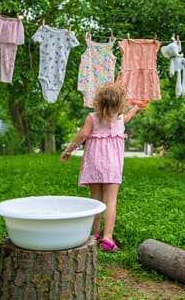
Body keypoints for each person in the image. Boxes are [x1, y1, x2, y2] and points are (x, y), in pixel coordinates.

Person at [60, 83, 143, 252]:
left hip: (94, 163)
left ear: (99, 101)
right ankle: (108, 237)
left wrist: (68, 151)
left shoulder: (92, 117)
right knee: (111, 201)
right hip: (112, 165)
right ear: (120, 103)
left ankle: (95, 233)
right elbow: (127, 117)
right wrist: (135, 109)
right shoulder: (119, 118)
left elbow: (82, 135)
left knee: (95, 200)